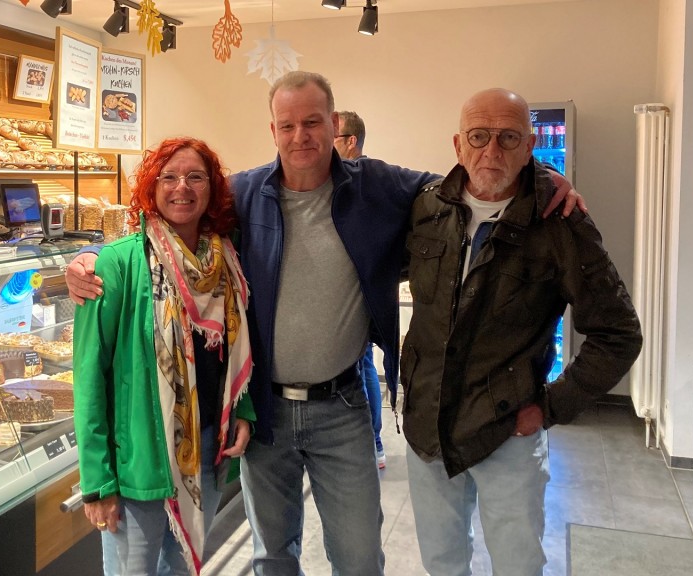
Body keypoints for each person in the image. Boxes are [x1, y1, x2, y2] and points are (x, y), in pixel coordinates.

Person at [66, 72, 583, 575]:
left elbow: (469, 179)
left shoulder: (377, 187)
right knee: (272, 555)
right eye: (287, 125)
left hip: (342, 408)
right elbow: (166, 226)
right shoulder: (243, 195)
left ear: (333, 124)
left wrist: (539, 175)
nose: (300, 136)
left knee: (359, 557)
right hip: (265, 413)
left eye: (312, 122)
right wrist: (89, 257)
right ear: (273, 131)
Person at [401, 88, 643, 576]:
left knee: (517, 563)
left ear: (531, 144)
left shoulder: (560, 222)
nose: (492, 151)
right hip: (427, 425)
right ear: (457, 144)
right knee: (441, 561)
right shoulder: (427, 209)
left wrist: (551, 407)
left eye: (509, 137)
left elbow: (618, 333)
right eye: (479, 136)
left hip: (506, 431)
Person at [73, 137, 256, 575]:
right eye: (168, 177)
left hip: (207, 448)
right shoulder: (116, 264)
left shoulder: (226, 260)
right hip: (138, 461)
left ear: (211, 190)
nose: (182, 187)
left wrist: (243, 408)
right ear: (151, 187)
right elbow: (88, 376)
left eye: (195, 177)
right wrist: (97, 482)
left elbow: (239, 347)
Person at [334, 110, 386, 469]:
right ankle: (375, 441)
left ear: (351, 142)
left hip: (358, 294)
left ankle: (374, 440)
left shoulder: (364, 179)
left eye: (332, 138)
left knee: (362, 363)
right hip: (355, 293)